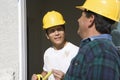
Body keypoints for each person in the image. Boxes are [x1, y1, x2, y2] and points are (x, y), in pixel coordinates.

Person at [63, 0, 120, 80]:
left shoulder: (102, 53)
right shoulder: (97, 50)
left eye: (81, 15)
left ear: (91, 19)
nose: (78, 20)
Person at [31, 10, 79, 80]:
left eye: (59, 29)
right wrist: (39, 77)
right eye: (52, 31)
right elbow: (46, 72)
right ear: (47, 36)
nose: (56, 33)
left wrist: (66, 78)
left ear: (64, 31)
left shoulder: (76, 52)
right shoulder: (48, 53)